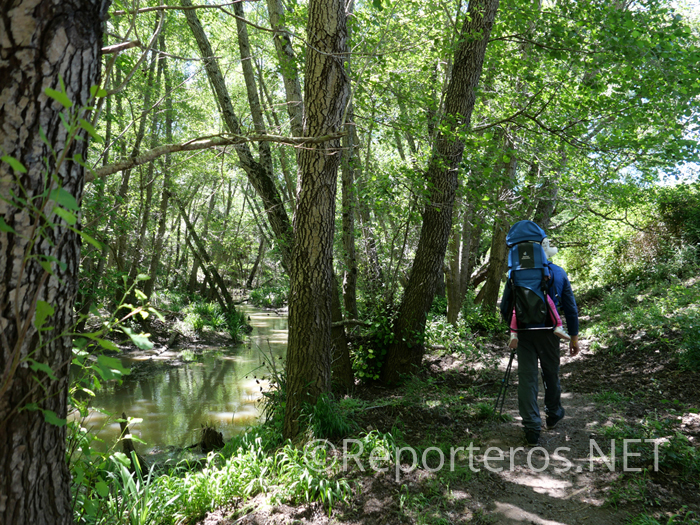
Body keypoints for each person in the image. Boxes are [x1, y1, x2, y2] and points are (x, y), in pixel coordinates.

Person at [500, 235, 580, 446]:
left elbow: (504, 307)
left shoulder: (515, 274)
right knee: (550, 374)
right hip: (551, 333)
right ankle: (553, 415)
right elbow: (571, 307)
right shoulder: (558, 273)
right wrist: (574, 337)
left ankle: (531, 429)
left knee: (527, 379)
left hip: (524, 333)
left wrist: (514, 329)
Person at [508, 282, 571, 349]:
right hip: (538, 291)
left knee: (516, 310)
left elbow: (512, 279)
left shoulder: (515, 271)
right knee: (550, 305)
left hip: (522, 293)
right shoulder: (541, 270)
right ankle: (558, 326)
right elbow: (546, 277)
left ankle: (513, 333)